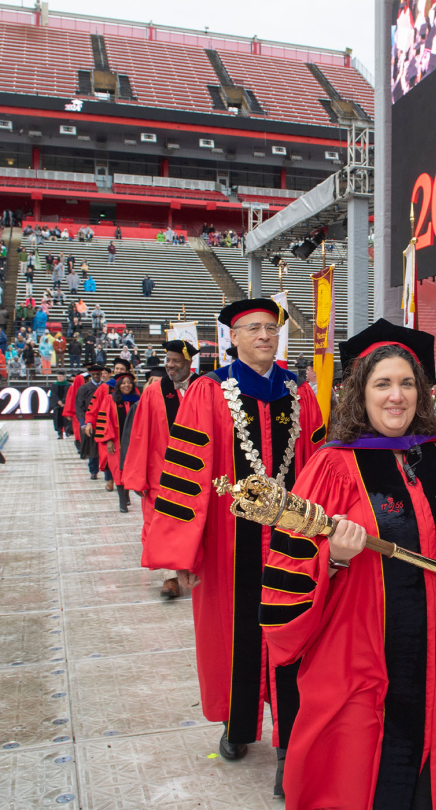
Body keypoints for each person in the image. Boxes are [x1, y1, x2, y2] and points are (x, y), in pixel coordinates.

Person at [261, 318, 436, 807]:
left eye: (407, 383)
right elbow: (286, 571)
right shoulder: (331, 466)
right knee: (364, 774)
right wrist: (335, 557)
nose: (396, 396)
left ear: (423, 392)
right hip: (364, 665)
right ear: (359, 393)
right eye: (382, 383)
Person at [144, 298, 326, 789]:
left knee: (294, 631)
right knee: (235, 632)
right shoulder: (208, 392)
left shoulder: (300, 394)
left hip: (290, 537)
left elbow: (317, 464)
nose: (265, 336)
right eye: (253, 329)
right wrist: (184, 550)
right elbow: (187, 473)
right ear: (233, 338)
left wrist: (325, 529)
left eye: (272, 328)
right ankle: (239, 724)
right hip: (230, 540)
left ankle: (292, 739)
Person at [122, 343, 199, 599]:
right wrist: (138, 476)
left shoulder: (206, 388)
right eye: (168, 360)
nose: (171, 365)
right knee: (162, 525)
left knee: (197, 524)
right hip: (162, 473)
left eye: (176, 360)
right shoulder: (154, 393)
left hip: (199, 474)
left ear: (189, 363)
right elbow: (140, 435)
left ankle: (196, 571)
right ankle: (170, 578)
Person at [96, 372, 139, 513]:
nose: (127, 385)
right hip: (116, 442)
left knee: (130, 469)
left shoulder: (138, 400)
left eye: (129, 382)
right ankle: (122, 501)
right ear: (118, 386)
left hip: (134, 443)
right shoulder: (110, 400)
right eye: (123, 383)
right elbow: (105, 420)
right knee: (118, 470)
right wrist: (108, 440)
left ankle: (126, 495)